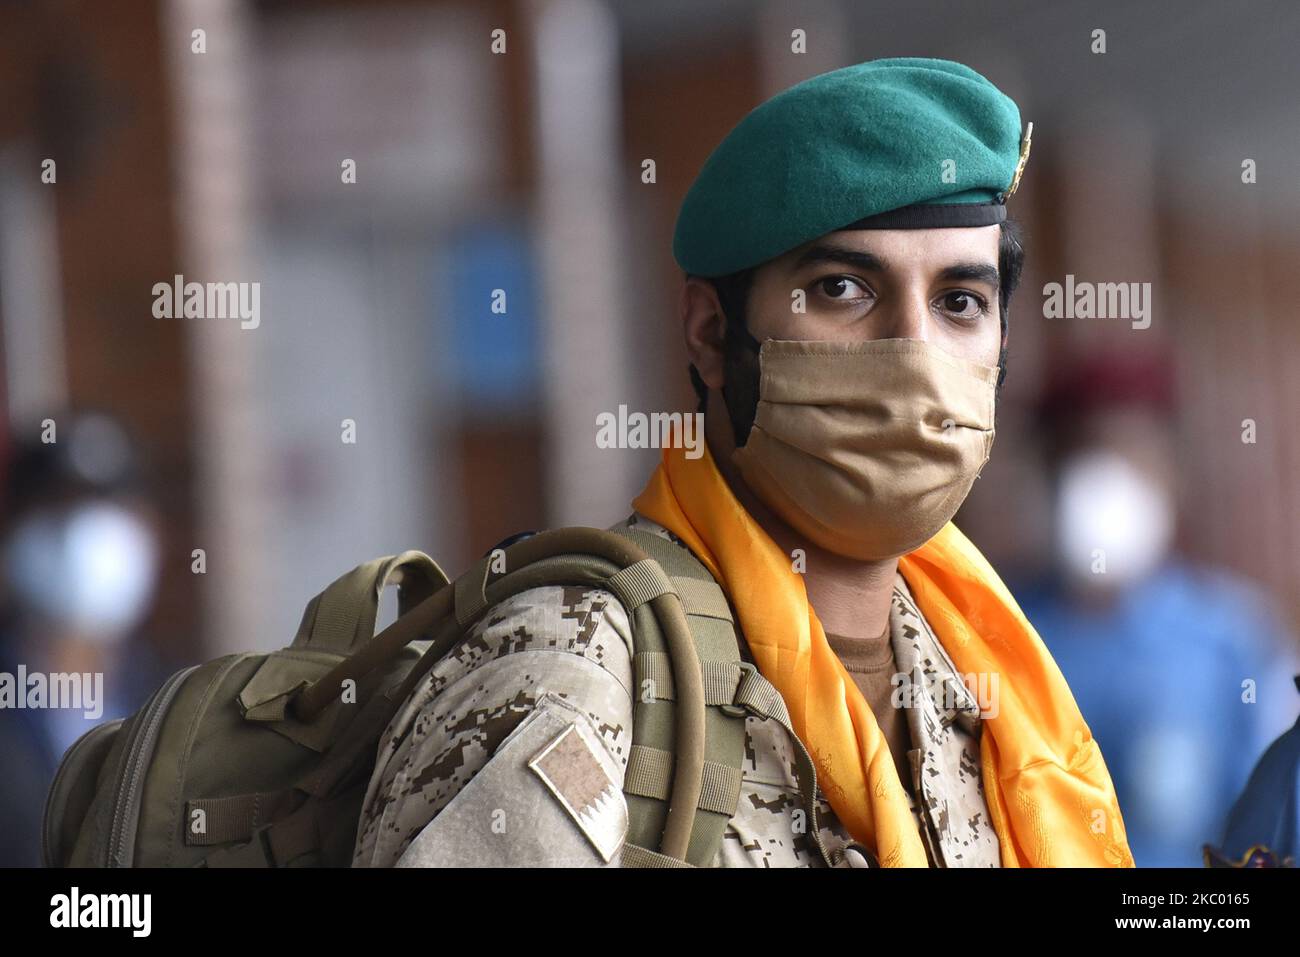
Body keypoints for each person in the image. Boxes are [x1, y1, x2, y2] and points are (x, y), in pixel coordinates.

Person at [354, 57, 1135, 868]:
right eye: (841, 289)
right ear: (710, 331)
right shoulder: (573, 677)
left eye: (959, 302)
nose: (915, 351)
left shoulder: (981, 683)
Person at [1013, 352, 1300, 867]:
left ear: (1171, 474)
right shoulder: (999, 632)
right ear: (1050, 477)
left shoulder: (1233, 638)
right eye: (1087, 459)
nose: (1107, 487)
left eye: (1134, 457)